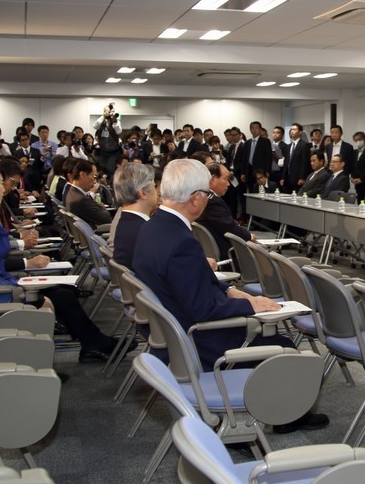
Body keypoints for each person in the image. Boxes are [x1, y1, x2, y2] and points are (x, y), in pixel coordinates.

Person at [132, 159, 328, 432]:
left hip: (177, 330)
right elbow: (205, 310)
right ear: (195, 198)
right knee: (285, 347)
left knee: (271, 335)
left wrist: (229, 290)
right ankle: (286, 417)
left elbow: (188, 282)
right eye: (207, 194)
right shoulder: (181, 241)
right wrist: (251, 305)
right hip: (201, 338)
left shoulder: (153, 227)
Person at [0, 160, 117, 362]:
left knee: (64, 293)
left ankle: (93, 343)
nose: (4, 188)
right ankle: (78, 348)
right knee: (59, 297)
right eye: (1, 183)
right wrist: (26, 290)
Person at [194, 161, 254, 259]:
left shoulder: (202, 197)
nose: (228, 184)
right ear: (212, 179)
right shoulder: (213, 202)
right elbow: (231, 229)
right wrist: (250, 236)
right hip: (228, 254)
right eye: (226, 179)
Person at [109, 163, 158, 268]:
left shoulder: (124, 222)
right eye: (154, 186)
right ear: (143, 193)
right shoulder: (147, 233)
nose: (158, 191)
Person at [64, 159, 112, 228]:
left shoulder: (72, 192)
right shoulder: (81, 200)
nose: (95, 181)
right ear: (82, 175)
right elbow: (106, 218)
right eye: (94, 176)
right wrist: (101, 206)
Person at [283, 123, 310, 190]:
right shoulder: (288, 146)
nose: (292, 131)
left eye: (294, 129)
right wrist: (283, 177)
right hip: (287, 178)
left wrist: (302, 178)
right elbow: (286, 163)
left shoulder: (304, 145)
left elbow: (305, 163)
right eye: (291, 130)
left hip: (297, 178)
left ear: (300, 132)